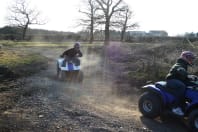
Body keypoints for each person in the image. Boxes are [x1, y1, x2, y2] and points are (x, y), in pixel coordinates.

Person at [165, 51, 196, 116]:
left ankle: (185, 104)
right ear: (184, 57)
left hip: (178, 79)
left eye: (191, 58)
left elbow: (184, 75)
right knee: (182, 86)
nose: (191, 60)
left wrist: (192, 78)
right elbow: (179, 69)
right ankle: (175, 107)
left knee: (192, 85)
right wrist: (185, 73)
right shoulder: (179, 64)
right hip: (171, 79)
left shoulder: (184, 65)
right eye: (190, 58)